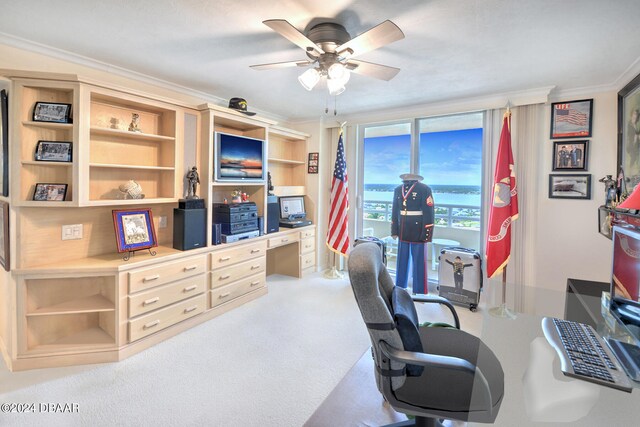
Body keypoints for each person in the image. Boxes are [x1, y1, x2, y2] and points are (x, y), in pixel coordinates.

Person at [391, 173, 434, 294]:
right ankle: (400, 287)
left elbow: (429, 212)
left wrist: (427, 233)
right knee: (401, 260)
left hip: (418, 229)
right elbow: (395, 211)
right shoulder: (398, 190)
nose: (407, 182)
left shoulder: (424, 189)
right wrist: (394, 230)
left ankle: (420, 290)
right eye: (406, 180)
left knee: (419, 261)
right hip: (403, 228)